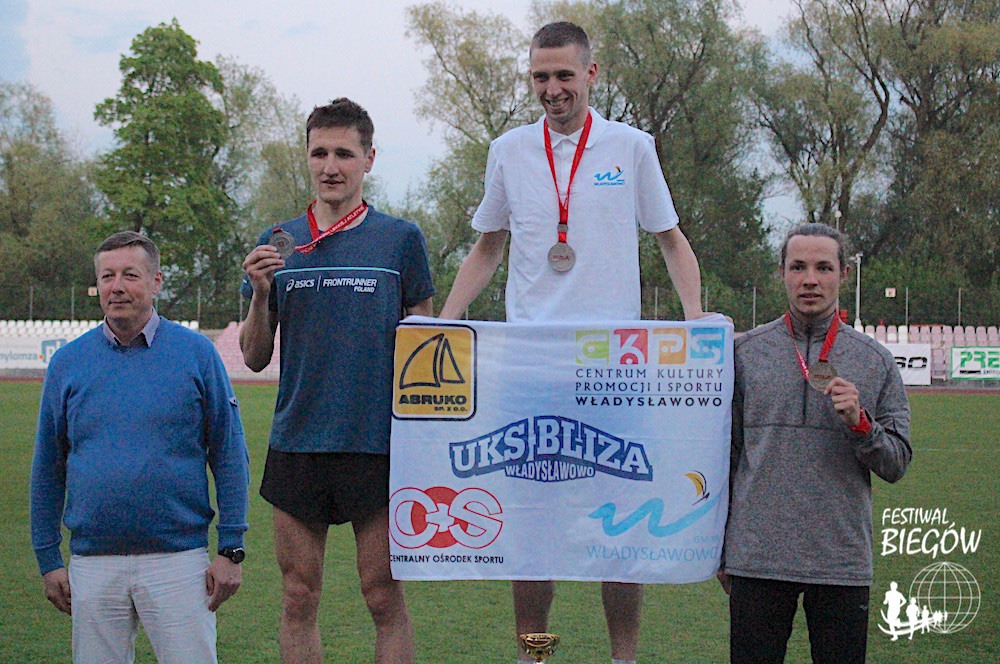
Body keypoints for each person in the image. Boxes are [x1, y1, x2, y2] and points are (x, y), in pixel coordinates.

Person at [439, 22, 714, 664]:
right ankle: (535, 656)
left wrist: (696, 316)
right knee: (532, 532)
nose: (552, 88)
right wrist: (448, 320)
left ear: (591, 73)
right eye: (540, 76)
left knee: (621, 529)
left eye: (564, 74)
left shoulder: (632, 147)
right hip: (530, 371)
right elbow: (488, 246)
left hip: (612, 369)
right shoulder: (508, 150)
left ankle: (624, 658)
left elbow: (669, 238)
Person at [240, 98, 434, 664]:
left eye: (344, 154)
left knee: (383, 597)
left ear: (368, 159)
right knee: (298, 597)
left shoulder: (400, 239)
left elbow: (425, 343)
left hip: (378, 444)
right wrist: (259, 294)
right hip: (298, 442)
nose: (330, 166)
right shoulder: (278, 240)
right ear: (306, 156)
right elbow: (254, 357)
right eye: (319, 153)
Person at [30, 231, 250, 663]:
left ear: (156, 281)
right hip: (93, 562)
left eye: (130, 275)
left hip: (179, 561)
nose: (117, 287)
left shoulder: (196, 354)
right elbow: (48, 465)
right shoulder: (68, 363)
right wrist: (47, 556)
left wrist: (231, 547)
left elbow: (228, 454)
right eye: (107, 276)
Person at [719, 223, 912, 663]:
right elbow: (726, 457)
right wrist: (720, 548)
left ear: (844, 275)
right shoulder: (745, 354)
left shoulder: (875, 361)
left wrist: (861, 425)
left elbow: (897, 462)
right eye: (798, 267)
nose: (810, 279)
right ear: (782, 273)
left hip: (840, 559)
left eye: (823, 268)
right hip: (758, 556)